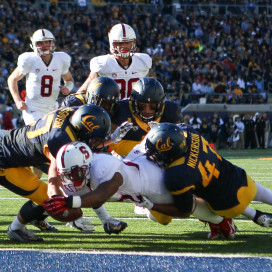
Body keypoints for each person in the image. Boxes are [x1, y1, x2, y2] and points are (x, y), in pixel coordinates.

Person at [43, 140, 236, 239]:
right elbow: (74, 211)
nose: (70, 179)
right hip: (137, 178)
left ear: (86, 165)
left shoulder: (102, 166)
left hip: (149, 180)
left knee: (185, 206)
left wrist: (67, 202)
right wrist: (57, 204)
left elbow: (101, 195)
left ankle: (221, 220)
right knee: (157, 216)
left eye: (74, 173)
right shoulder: (74, 172)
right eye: (66, 174)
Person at [0, 104, 111, 242]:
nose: (95, 142)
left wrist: (112, 139)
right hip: (5, 159)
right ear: (83, 129)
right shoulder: (60, 138)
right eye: (94, 138)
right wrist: (56, 198)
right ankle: (15, 229)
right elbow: (54, 173)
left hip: (15, 146)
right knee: (47, 198)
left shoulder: (74, 114)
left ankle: (35, 220)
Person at [142, 122, 272, 239]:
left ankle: (253, 215)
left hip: (229, 206)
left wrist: (153, 206)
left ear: (170, 154)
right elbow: (176, 130)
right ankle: (255, 215)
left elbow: (184, 211)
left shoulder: (177, 174)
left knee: (191, 198)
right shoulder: (190, 132)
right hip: (241, 179)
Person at [7, 28, 74, 192]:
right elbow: (12, 79)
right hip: (33, 110)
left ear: (52, 43)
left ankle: (36, 189)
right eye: (40, 43)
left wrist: (68, 88)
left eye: (46, 42)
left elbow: (69, 80)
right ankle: (56, 185)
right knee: (45, 144)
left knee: (48, 148)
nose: (44, 46)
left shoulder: (61, 59)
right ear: (33, 45)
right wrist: (17, 100)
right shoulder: (29, 60)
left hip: (52, 108)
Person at [108, 77, 182, 156]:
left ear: (161, 104)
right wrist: (152, 147)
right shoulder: (121, 109)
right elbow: (113, 143)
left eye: (153, 106)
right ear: (133, 102)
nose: (147, 110)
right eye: (141, 105)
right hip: (126, 158)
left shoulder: (170, 110)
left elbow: (179, 141)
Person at [77, 23, 152, 99]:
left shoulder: (143, 62)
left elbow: (150, 89)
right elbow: (83, 91)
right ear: (113, 44)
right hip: (111, 109)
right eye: (120, 43)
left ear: (133, 43)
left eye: (127, 42)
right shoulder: (103, 64)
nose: (124, 46)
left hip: (134, 109)